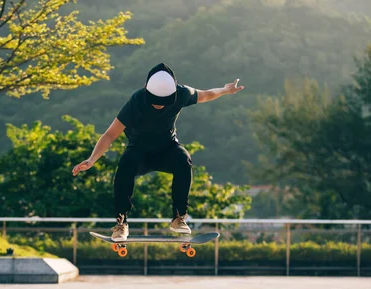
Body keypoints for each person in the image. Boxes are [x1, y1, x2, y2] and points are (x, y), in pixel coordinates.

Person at [72, 63, 244, 241]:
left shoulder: (182, 93)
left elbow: (207, 94)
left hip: (167, 148)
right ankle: (121, 223)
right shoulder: (136, 101)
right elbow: (109, 134)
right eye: (155, 102)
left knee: (183, 159)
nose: (159, 106)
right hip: (139, 151)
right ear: (147, 92)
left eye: (164, 103)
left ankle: (178, 218)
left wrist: (224, 90)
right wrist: (92, 159)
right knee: (125, 164)